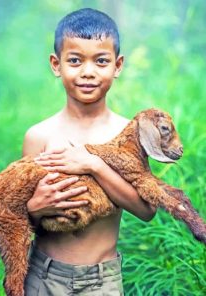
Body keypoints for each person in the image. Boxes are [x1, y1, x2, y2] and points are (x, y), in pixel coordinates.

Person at [23, 8, 156, 295]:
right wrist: (35, 209)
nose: (88, 72)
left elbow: (147, 210)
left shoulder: (129, 135)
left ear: (117, 66)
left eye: (101, 61)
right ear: (56, 64)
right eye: (74, 60)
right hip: (42, 276)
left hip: (102, 281)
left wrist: (95, 165)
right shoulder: (39, 136)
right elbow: (18, 218)